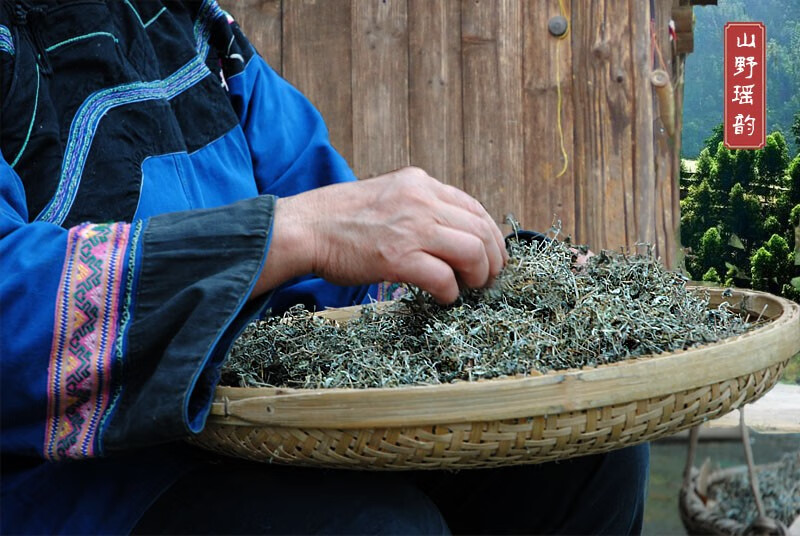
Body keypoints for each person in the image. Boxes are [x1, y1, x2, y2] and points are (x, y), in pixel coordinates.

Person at [0, 1, 649, 533]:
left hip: (251, 431)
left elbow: (341, 250)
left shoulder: (196, 33)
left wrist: (503, 279)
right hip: (64, 479)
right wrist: (290, 233)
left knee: (590, 456)